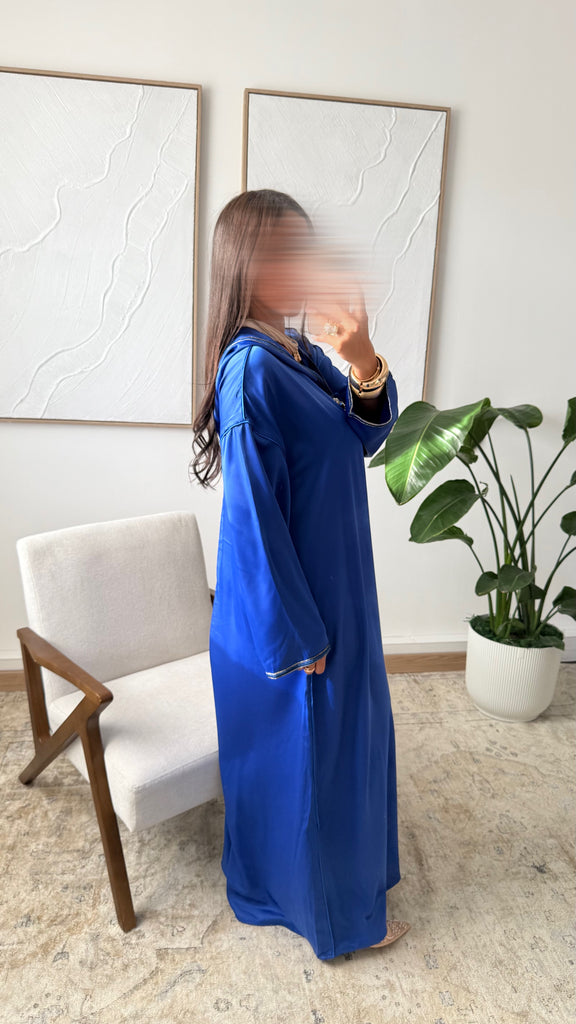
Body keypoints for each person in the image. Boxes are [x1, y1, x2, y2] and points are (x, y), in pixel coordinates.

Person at [190, 188, 410, 960]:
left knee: (346, 747)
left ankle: (338, 886)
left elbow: (366, 436)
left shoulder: (295, 353)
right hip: (295, 611)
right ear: (246, 265)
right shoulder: (251, 369)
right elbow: (252, 522)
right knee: (314, 762)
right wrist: (296, 635)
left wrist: (364, 362)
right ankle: (333, 921)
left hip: (338, 586)